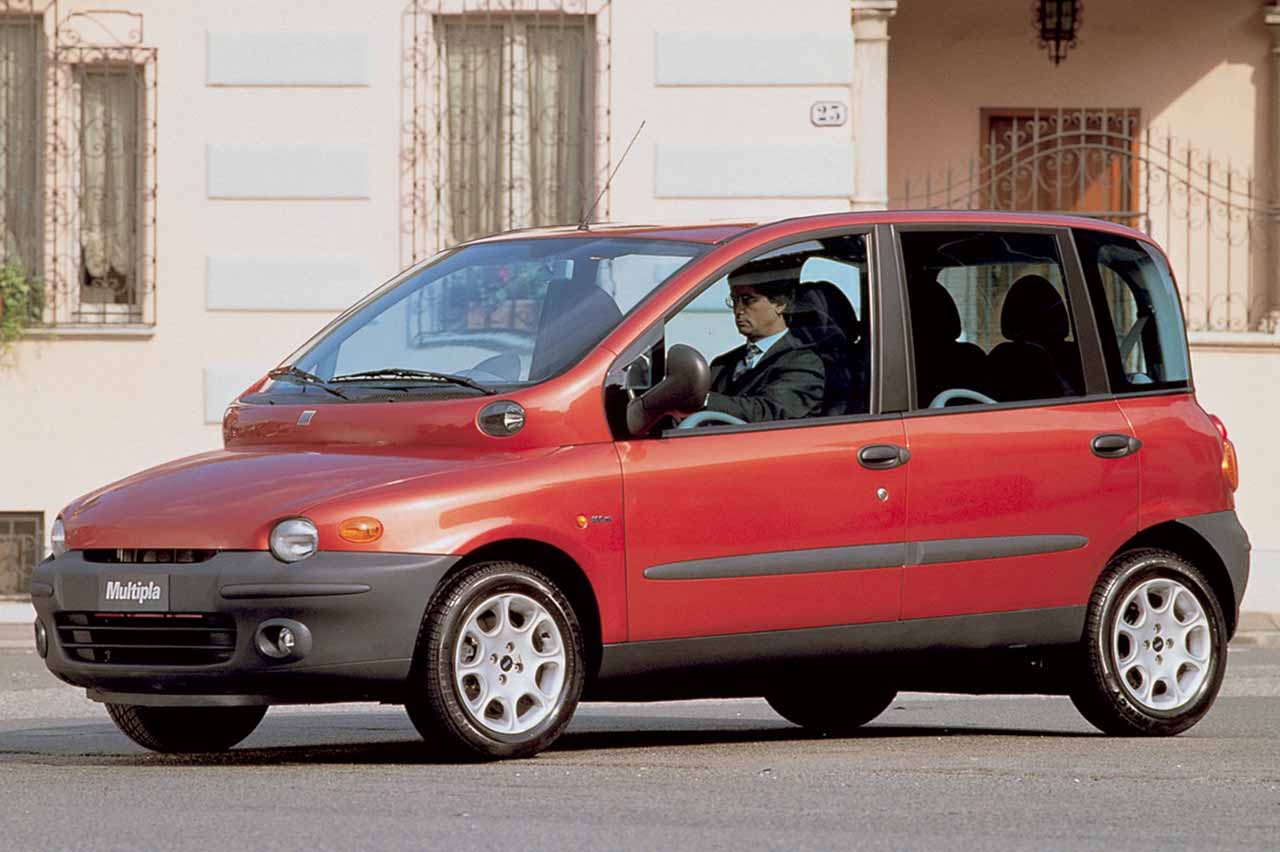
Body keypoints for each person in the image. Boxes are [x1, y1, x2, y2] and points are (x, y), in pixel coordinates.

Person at [702, 262, 825, 423]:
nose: (738, 310)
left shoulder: (804, 363)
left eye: (748, 300)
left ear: (780, 304)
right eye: (734, 300)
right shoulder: (722, 364)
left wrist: (703, 400)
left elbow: (769, 411)